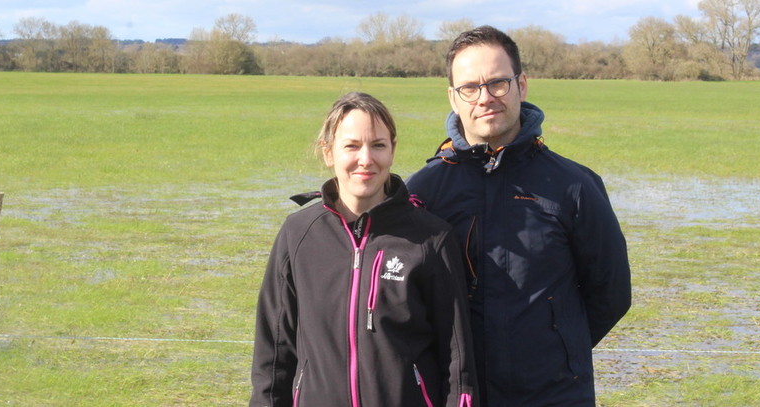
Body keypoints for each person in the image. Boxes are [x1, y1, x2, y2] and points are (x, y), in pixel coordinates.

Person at [406, 26, 632, 406]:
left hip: (555, 394)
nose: (485, 98)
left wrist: (558, 347)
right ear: (453, 97)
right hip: (460, 395)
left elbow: (611, 293)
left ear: (521, 85)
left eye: (498, 83)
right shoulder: (425, 191)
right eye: (470, 88)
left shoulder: (574, 186)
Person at [250, 92, 476, 407]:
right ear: (328, 152)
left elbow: (458, 359)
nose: (366, 159)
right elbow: (273, 352)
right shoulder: (298, 234)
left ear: (393, 150)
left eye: (378, 145)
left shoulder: (431, 238)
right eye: (352, 146)